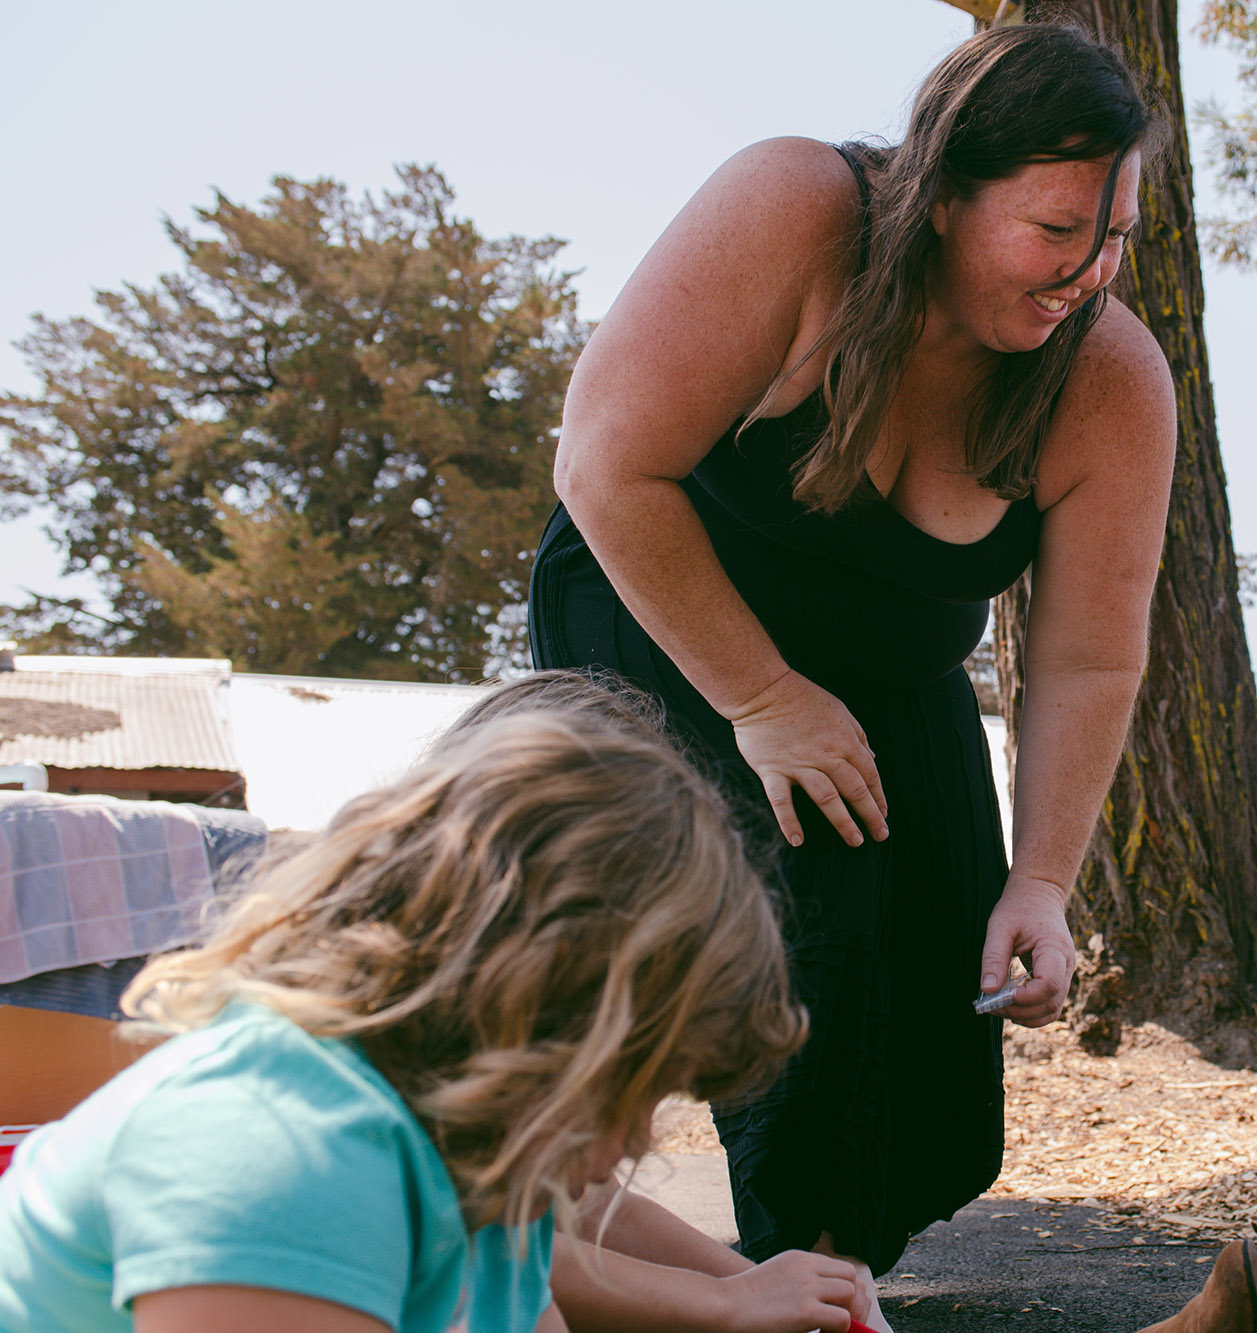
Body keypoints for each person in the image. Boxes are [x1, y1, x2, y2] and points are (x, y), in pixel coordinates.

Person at [528, 20, 1176, 1328]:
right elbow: (603, 463)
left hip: (888, 661)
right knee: (810, 900)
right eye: (1057, 231)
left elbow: (1090, 651)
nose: (1086, 275)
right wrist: (763, 699)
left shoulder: (1109, 374)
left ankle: (826, 1282)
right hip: (662, 600)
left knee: (940, 1032)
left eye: (1113, 240)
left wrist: (1041, 881)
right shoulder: (796, 210)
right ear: (940, 197)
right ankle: (790, 1289)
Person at [0, 696, 865, 1333]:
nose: (637, 1141)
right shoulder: (278, 1152)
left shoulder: (482, 1189)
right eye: (626, 1088)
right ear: (523, 1018)